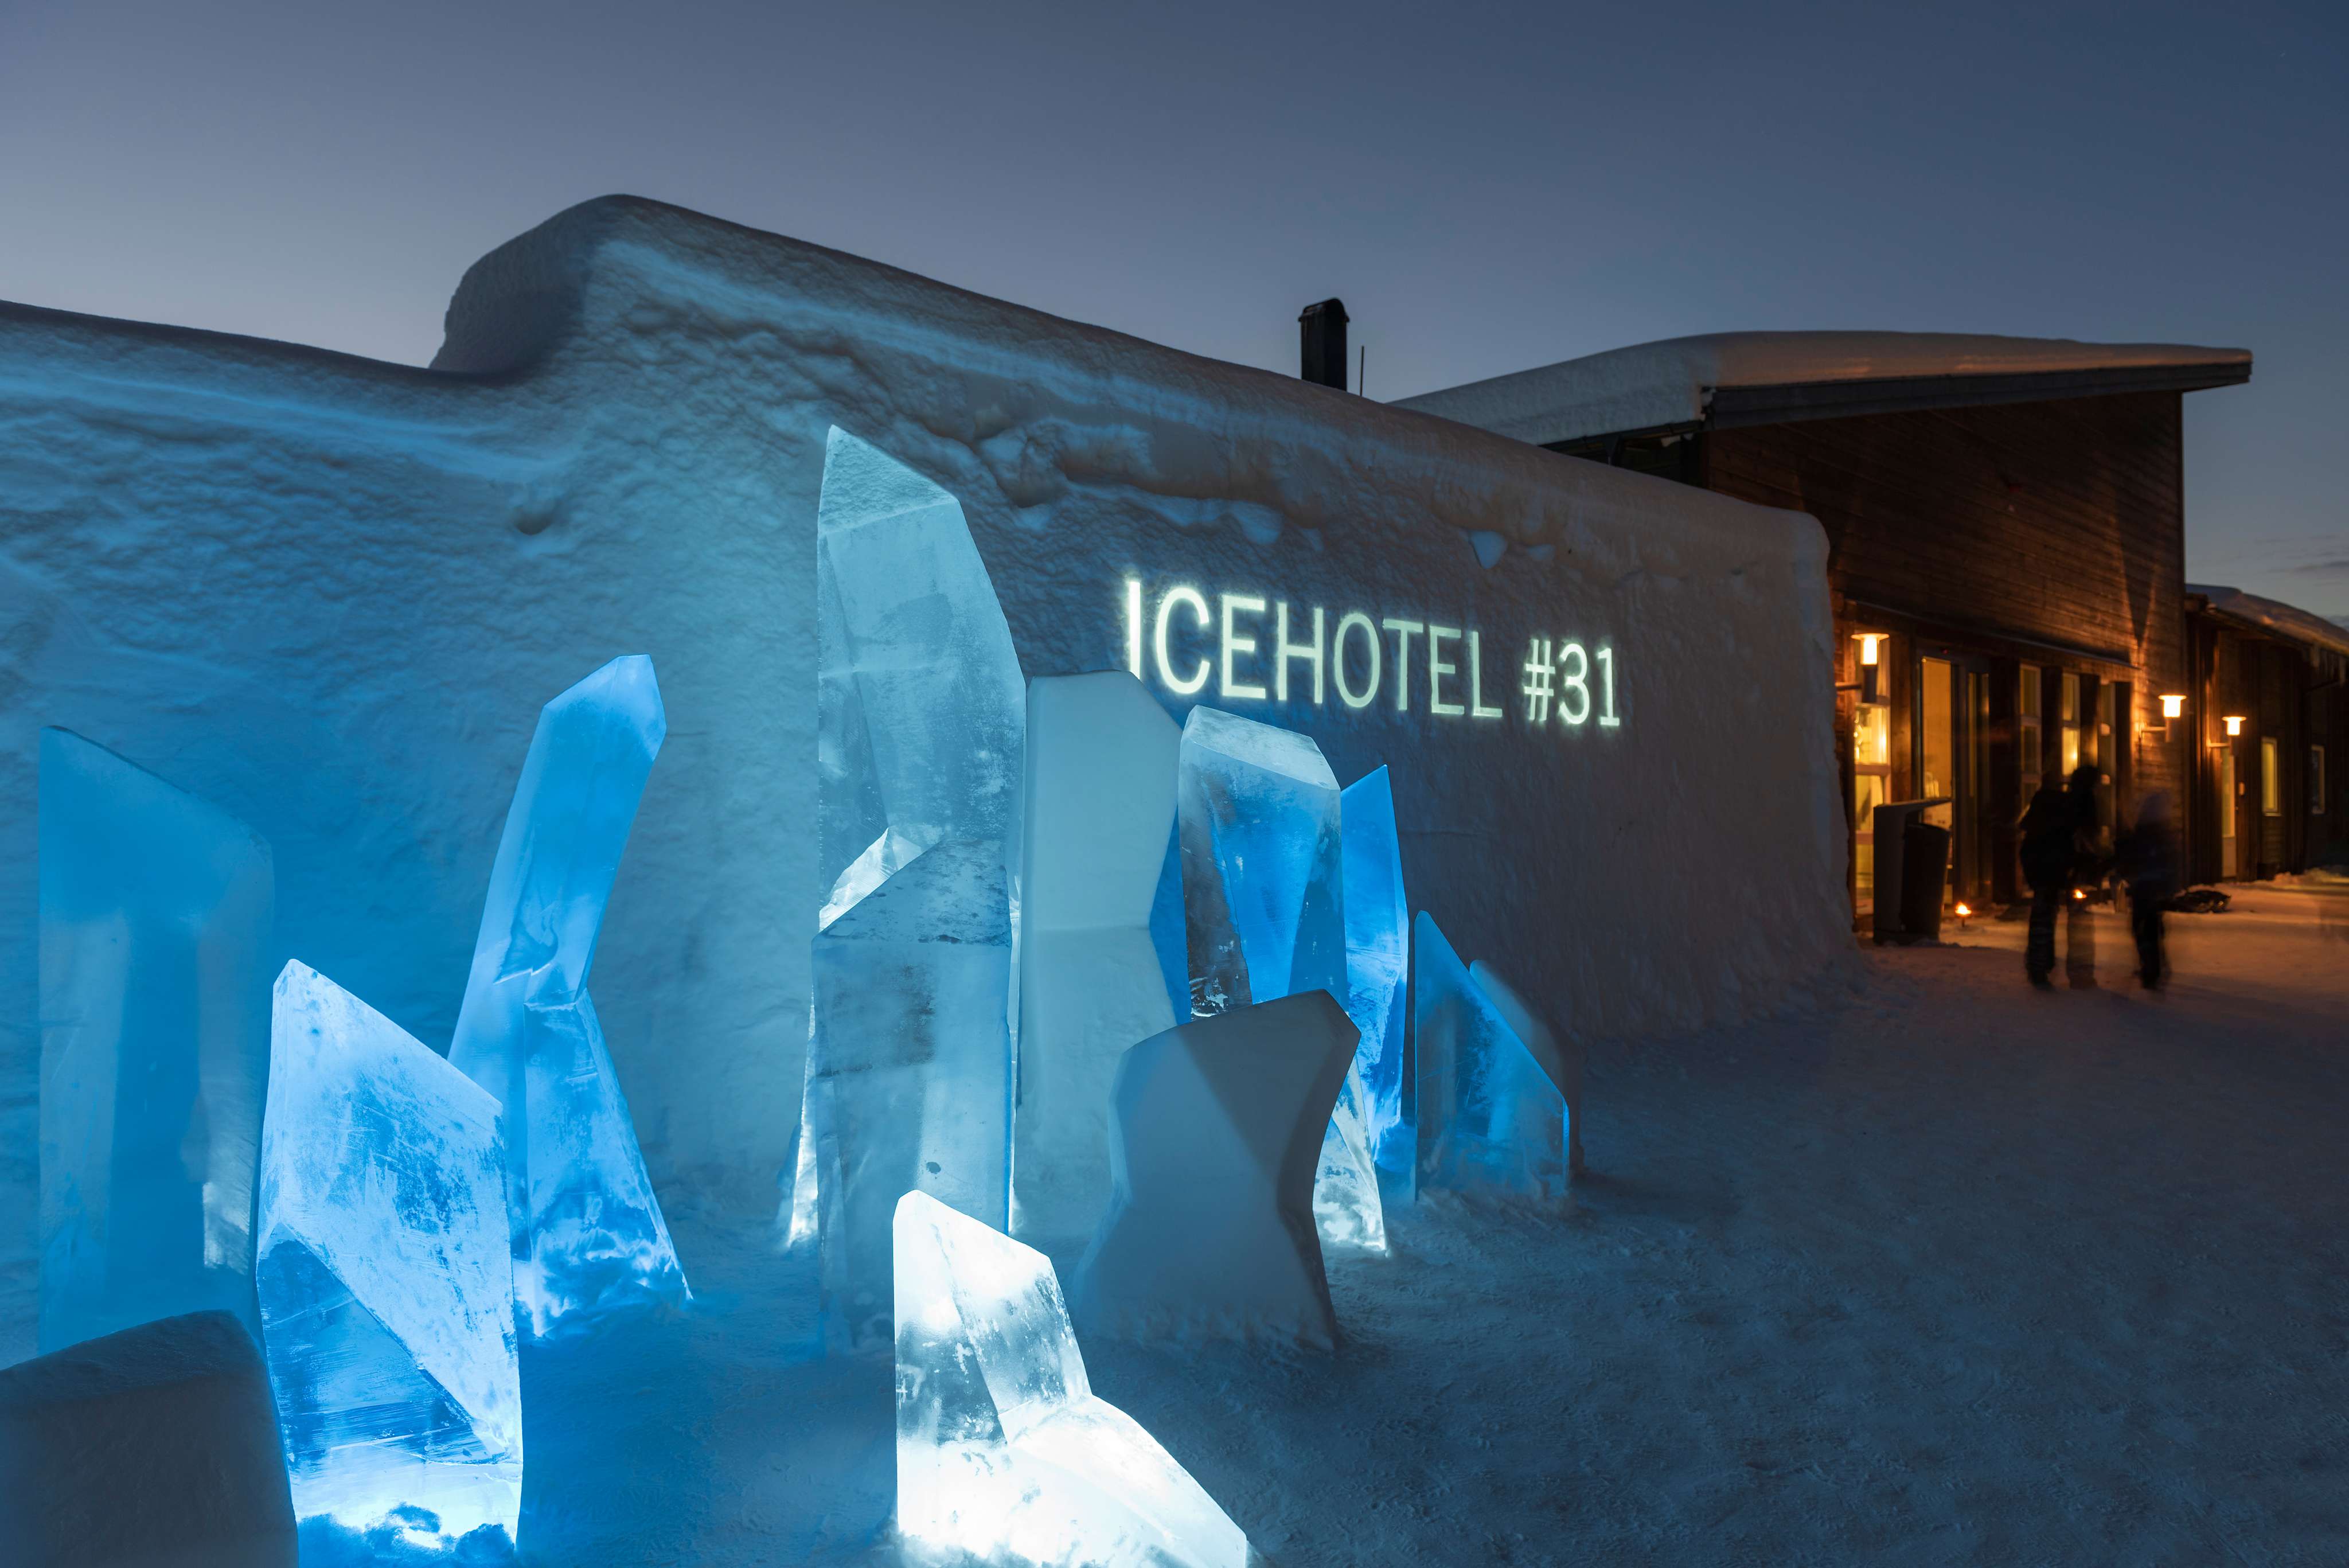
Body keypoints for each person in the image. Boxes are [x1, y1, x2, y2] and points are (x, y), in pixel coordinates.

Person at [2114, 791, 2179, 989]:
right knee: (2150, 927)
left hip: (2144, 887)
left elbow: (2130, 858)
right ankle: (2153, 964)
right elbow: (2170, 862)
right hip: (2152, 887)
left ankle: (2151, 967)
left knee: (2143, 927)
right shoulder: (2161, 835)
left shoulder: (2142, 834)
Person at [2018, 778, 2074, 988]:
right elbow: (2065, 854)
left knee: (2042, 919)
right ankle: (2040, 965)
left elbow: (2027, 855)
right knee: (2044, 920)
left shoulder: (2036, 832)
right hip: (2050, 879)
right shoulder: (2058, 832)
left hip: (2043, 879)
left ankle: (2039, 964)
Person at [2060, 765, 2104, 988]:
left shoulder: (2071, 800)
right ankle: (2082, 973)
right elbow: (2087, 835)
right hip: (2081, 869)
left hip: (2074, 868)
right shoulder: (2085, 802)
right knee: (2081, 920)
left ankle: (2079, 971)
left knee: (2078, 919)